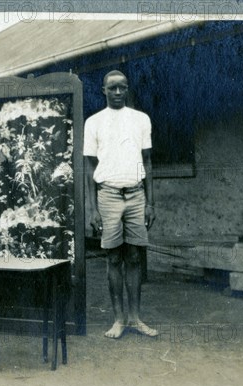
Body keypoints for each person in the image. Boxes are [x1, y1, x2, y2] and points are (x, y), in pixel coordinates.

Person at [84, 70, 158, 339]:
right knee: (113, 257)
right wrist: (92, 208)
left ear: (127, 90)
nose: (117, 92)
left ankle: (136, 318)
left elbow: (148, 162)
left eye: (122, 88)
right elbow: (89, 167)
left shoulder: (140, 119)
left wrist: (151, 203)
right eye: (112, 88)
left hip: (137, 195)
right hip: (109, 195)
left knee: (135, 256)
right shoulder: (93, 122)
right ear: (103, 90)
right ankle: (118, 319)